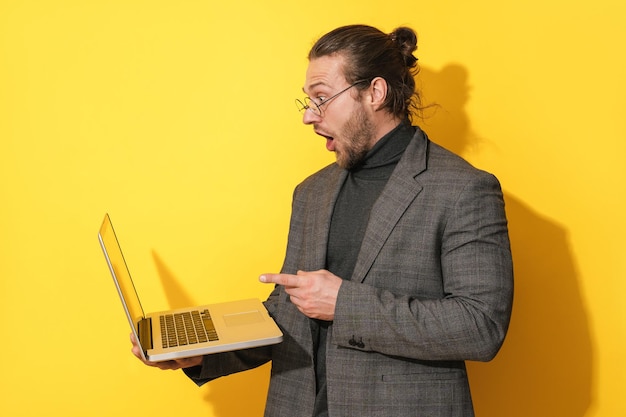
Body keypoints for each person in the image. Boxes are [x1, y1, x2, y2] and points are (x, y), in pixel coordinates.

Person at [131, 24, 514, 417]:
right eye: (308, 102)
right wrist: (198, 353)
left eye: (322, 98)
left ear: (375, 93)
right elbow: (288, 314)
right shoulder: (312, 192)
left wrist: (344, 303)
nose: (309, 117)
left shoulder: (464, 189)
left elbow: (481, 326)